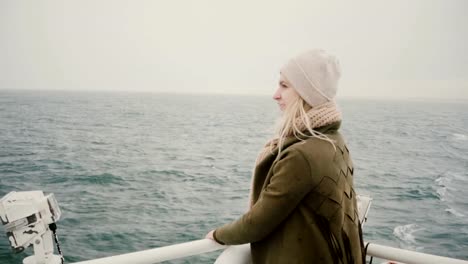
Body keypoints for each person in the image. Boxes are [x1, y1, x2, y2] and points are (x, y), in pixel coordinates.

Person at [206, 49, 365, 264]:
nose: (275, 94)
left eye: (284, 85)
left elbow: (259, 222)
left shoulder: (302, 155)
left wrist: (218, 235)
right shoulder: (334, 140)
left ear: (306, 93)